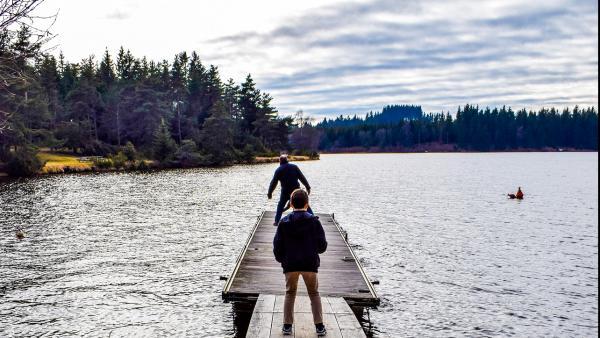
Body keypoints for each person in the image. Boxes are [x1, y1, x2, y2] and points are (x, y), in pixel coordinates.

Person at [273, 189, 328, 336]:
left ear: (291, 204)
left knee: (290, 293)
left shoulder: (283, 223)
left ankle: (287, 326)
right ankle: (319, 327)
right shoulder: (314, 221)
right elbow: (322, 246)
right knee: (314, 293)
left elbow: (277, 246)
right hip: (310, 264)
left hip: (290, 265)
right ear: (307, 204)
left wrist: (282, 260)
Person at [268, 154, 313, 225]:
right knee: (304, 203)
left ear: (280, 161)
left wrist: (270, 193)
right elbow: (302, 178)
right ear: (287, 160)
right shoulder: (294, 167)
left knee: (280, 205)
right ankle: (312, 218)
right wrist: (308, 187)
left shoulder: (278, 170)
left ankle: (277, 221)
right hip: (296, 192)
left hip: (285, 191)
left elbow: (273, 183)